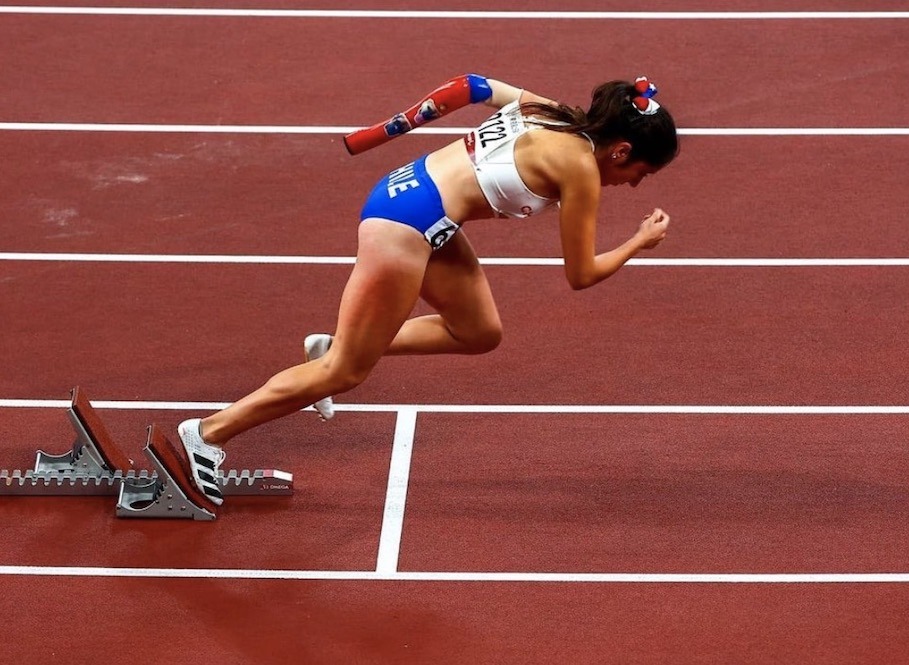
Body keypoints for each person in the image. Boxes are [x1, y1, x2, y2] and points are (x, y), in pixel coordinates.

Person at [178, 74, 679, 506]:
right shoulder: (581, 169)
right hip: (407, 225)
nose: (635, 185)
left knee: (478, 331)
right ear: (621, 150)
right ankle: (207, 433)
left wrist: (391, 128)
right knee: (345, 373)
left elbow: (472, 86)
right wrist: (638, 241)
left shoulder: (552, 112)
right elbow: (581, 274)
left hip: (417, 199)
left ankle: (334, 344)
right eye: (641, 173)